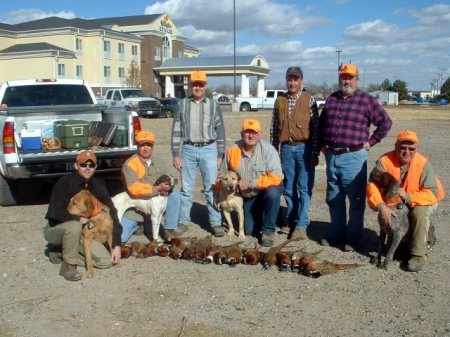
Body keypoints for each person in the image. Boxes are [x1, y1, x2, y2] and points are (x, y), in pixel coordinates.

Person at [319, 63, 392, 251]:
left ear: (357, 80)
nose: (347, 80)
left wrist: (372, 141)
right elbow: (320, 125)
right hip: (332, 156)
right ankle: (336, 234)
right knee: (334, 198)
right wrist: (322, 146)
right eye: (344, 77)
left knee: (356, 200)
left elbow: (385, 123)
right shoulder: (331, 100)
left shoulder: (366, 100)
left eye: (350, 77)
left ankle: (353, 237)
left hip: (354, 157)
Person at [366, 130, 445, 272]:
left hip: (422, 199)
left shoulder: (423, 163)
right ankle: (421, 235)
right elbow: (372, 185)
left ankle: (418, 255)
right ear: (396, 146)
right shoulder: (384, 161)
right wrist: (381, 206)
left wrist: (409, 197)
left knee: (418, 214)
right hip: (396, 203)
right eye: (402, 147)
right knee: (398, 234)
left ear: (416, 149)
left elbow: (432, 192)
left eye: (411, 148)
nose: (406, 151)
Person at [44, 150, 122, 281]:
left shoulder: (98, 186)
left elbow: (112, 213)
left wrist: (117, 244)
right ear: (76, 165)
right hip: (55, 229)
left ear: (95, 167)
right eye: (83, 164)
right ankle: (68, 265)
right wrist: (78, 219)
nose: (87, 168)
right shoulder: (65, 182)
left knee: (105, 262)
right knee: (75, 225)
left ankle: (62, 252)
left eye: (91, 165)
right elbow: (54, 212)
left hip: (80, 231)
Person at [171, 70, 226, 237]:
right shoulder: (181, 104)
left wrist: (220, 155)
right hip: (187, 149)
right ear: (190, 86)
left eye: (200, 84)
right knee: (186, 189)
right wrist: (175, 153)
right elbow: (176, 130)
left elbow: (221, 130)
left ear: (205, 86)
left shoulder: (214, 105)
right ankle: (183, 221)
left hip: (209, 149)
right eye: (195, 84)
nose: (198, 87)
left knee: (211, 188)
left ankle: (216, 222)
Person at [270, 66, 320, 240]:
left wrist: (315, 152)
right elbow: (274, 128)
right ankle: (290, 220)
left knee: (304, 188)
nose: (292, 82)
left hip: (304, 148)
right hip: (285, 149)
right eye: (289, 79)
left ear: (301, 81)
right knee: (289, 188)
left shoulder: (309, 100)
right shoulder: (279, 101)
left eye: (295, 79)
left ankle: (301, 225)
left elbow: (316, 128)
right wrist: (274, 152)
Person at [221, 118, 284, 247]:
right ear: (241, 133)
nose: (251, 135)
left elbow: (277, 177)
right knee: (250, 231)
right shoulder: (232, 150)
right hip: (249, 196)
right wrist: (218, 193)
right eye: (247, 132)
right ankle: (270, 213)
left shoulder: (268, 150)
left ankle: (269, 231)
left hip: (265, 191)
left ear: (259, 134)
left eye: (254, 132)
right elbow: (222, 174)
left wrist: (250, 183)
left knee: (273, 193)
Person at [120, 130, 184, 242]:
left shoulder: (158, 161)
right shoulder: (130, 164)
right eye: (142, 145)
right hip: (136, 204)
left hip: (154, 203)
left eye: (148, 145)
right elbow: (134, 189)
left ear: (152, 146)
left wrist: (169, 186)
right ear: (137, 146)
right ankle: (140, 224)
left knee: (175, 195)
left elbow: (170, 177)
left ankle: (169, 229)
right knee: (121, 237)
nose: (145, 148)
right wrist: (157, 188)